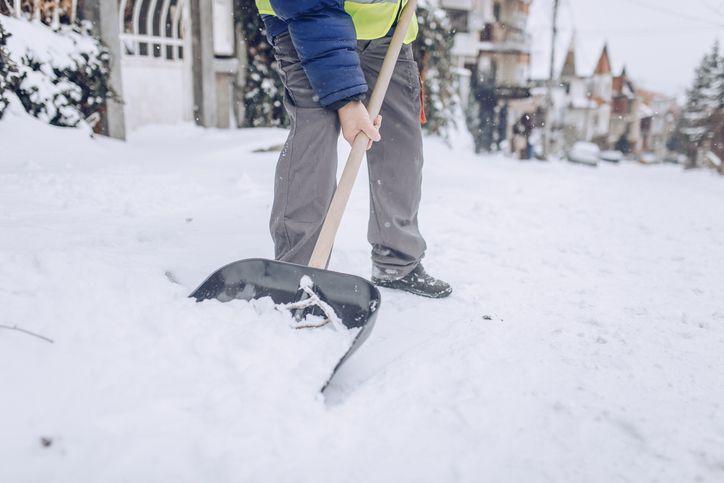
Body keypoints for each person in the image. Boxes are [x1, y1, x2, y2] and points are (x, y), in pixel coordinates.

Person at [256, 0, 452, 298]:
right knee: (316, 131)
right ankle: (298, 268)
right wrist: (347, 102)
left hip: (390, 27)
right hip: (303, 18)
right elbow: (309, 8)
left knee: (399, 140)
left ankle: (396, 260)